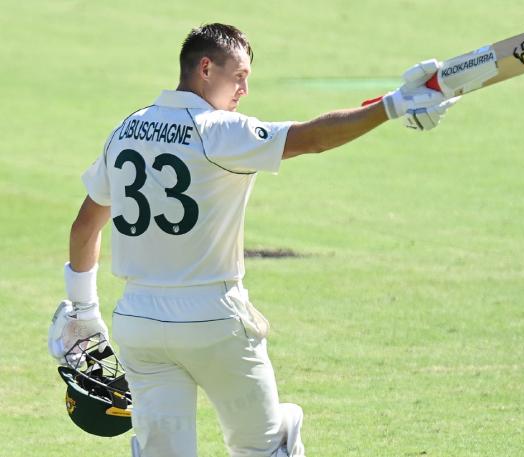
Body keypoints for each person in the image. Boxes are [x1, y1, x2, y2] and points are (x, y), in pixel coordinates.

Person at [48, 23, 459, 457]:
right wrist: (389, 107)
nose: (245, 88)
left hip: (140, 324)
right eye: (239, 75)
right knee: (264, 448)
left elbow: (84, 227)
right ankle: (283, 428)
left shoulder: (127, 129)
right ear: (205, 68)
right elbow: (312, 138)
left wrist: (85, 309)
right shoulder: (219, 130)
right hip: (213, 322)